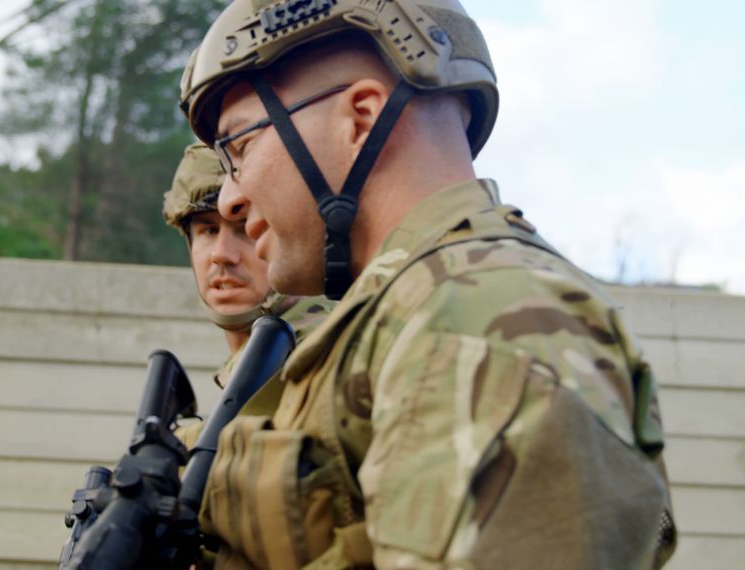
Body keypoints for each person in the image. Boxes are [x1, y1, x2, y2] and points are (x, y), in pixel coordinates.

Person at [178, 1, 676, 568]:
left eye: (240, 146)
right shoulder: (408, 316)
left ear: (360, 119)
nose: (230, 198)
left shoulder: (486, 319)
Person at [162, 142, 332, 405]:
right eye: (208, 230)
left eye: (245, 229)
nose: (222, 254)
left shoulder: (319, 356)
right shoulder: (259, 360)